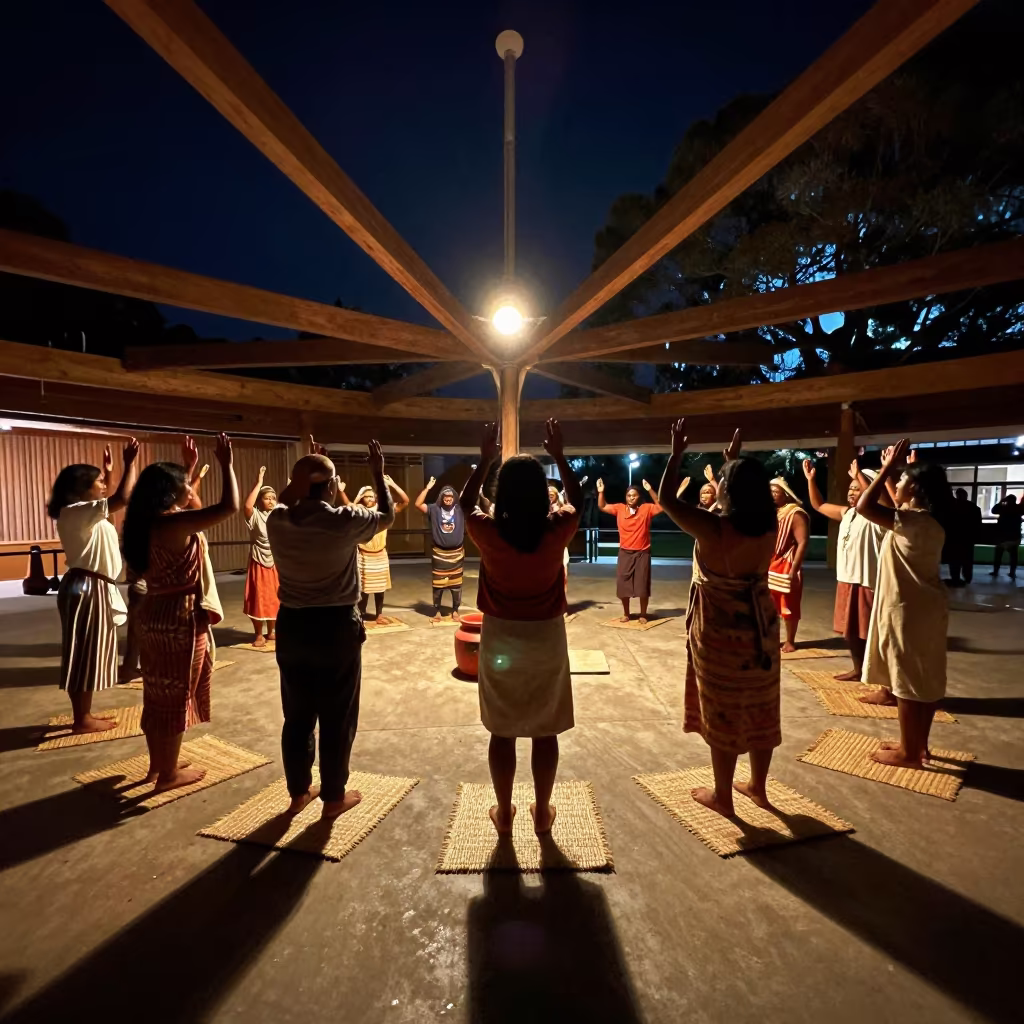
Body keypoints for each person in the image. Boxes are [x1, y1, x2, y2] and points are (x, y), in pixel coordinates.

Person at [460, 419, 582, 835]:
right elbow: (577, 501)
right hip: (546, 639)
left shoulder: (489, 532)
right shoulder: (555, 531)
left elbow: (464, 504)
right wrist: (561, 457)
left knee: (503, 729)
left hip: (501, 639)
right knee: (545, 730)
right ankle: (543, 812)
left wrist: (484, 461)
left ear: (502, 493)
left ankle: (504, 813)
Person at [658, 423, 780, 817]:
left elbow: (667, 501)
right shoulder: (768, 523)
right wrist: (733, 465)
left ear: (727, 491)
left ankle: (723, 796)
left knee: (724, 710)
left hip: (721, 630)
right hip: (761, 626)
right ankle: (758, 787)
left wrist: (676, 452)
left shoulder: (715, 528)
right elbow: (737, 503)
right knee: (761, 704)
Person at [267, 442, 394, 818]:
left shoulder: (277, 521)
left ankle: (297, 792)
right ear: (330, 486)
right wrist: (376, 472)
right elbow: (386, 515)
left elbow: (288, 497)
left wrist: (304, 475)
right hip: (336, 625)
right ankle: (333, 797)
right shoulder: (345, 520)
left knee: (297, 714)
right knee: (338, 714)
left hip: (291, 624)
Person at [123, 434, 238, 792]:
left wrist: (187, 469)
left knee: (157, 693)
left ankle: (159, 766)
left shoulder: (142, 524)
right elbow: (228, 507)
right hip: (180, 617)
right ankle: (168, 776)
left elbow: (183, 503)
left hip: (153, 610)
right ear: (171, 494)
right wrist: (226, 464)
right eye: (186, 485)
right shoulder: (172, 525)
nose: (190, 488)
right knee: (175, 696)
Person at [856, 439, 951, 766]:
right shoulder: (924, 521)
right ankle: (918, 746)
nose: (895, 484)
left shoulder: (911, 522)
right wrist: (898, 470)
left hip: (908, 612)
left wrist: (884, 469)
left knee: (907, 682)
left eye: (902, 482)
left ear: (917, 489)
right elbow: (886, 505)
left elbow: (865, 507)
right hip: (926, 610)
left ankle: (909, 752)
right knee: (923, 679)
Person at [48, 438, 140, 732]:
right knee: (82, 653)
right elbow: (122, 498)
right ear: (81, 488)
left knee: (91, 651)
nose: (103, 485)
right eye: (99, 482)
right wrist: (129, 464)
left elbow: (112, 500)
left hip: (92, 587)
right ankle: (81, 719)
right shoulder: (75, 512)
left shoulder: (86, 513)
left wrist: (110, 472)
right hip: (86, 588)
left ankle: (84, 714)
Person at [803, 458, 883, 680]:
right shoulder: (847, 513)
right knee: (851, 633)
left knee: (868, 632)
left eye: (857, 488)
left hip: (867, 580)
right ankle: (858, 670)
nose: (851, 491)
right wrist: (811, 480)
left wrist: (859, 475)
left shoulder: (877, 516)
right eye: (850, 488)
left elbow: (874, 498)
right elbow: (818, 505)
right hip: (847, 579)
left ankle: (872, 672)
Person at [597, 477, 665, 624]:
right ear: (625, 497)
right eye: (629, 495)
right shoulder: (620, 509)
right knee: (623, 584)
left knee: (642, 584)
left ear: (639, 496)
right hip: (625, 552)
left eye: (634, 495)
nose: (631, 497)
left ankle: (643, 614)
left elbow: (661, 506)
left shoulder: (646, 508)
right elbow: (602, 507)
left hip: (642, 552)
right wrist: (601, 492)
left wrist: (650, 490)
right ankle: (626, 613)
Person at [343, 474, 409, 622]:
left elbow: (405, 501)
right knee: (364, 587)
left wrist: (392, 484)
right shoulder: (360, 510)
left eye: (372, 495)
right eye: (367, 496)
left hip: (379, 554)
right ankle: (361, 612)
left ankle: (379, 614)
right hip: (364, 555)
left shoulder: (383, 510)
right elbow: (349, 508)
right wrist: (352, 495)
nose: (370, 498)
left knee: (380, 587)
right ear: (362, 499)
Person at [768, 476, 810, 652]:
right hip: (771, 562)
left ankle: (790, 641)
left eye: (775, 492)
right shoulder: (773, 512)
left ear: (786, 495)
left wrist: (794, 569)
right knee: (770, 604)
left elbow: (802, 542)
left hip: (787, 562)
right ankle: (772, 638)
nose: (772, 495)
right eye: (769, 492)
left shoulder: (795, 513)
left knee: (788, 604)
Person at [414, 477, 465, 621]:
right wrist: (428, 488)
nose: (448, 499)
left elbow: (470, 500)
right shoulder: (434, 509)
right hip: (439, 553)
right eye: (445, 496)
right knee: (438, 585)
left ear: (454, 498)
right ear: (441, 498)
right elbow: (418, 504)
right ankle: (436, 610)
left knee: (456, 584)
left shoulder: (460, 510)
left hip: (456, 554)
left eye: (450, 496)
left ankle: (455, 610)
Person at [242, 466, 281, 647]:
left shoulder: (278, 516)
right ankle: (258, 634)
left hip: (275, 563)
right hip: (259, 561)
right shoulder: (255, 516)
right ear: (260, 501)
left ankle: (271, 631)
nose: (271, 501)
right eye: (267, 498)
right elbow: (247, 506)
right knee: (258, 597)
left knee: (274, 597)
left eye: (273, 498)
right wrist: (259, 483)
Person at [947, 488, 982, 586]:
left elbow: (948, 523)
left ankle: (955, 578)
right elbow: (978, 524)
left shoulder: (952, 507)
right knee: (967, 560)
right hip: (968, 538)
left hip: (954, 538)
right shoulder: (973, 507)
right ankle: (967, 578)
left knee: (954, 560)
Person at [990, 494, 1023, 579]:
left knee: (998, 555)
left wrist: (1001, 502)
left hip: (1002, 535)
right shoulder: (1018, 508)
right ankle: (1012, 572)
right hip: (1013, 536)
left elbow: (993, 511)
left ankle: (996, 571)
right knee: (1013, 556)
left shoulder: (1003, 508)